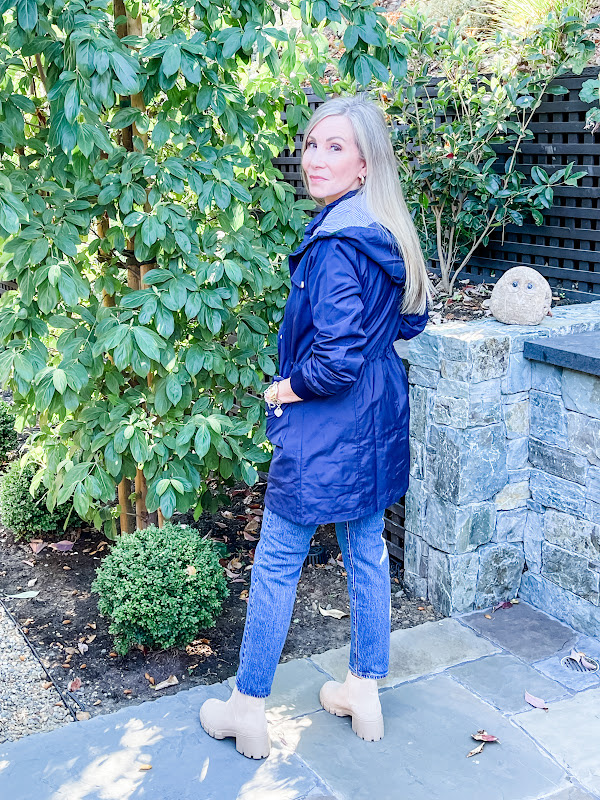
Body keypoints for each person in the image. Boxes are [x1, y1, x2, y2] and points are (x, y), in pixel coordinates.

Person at [199, 94, 433, 759]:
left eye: (335, 147)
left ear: (365, 163)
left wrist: (285, 387)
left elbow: (332, 362)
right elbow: (410, 320)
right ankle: (364, 691)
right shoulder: (386, 230)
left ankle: (246, 709)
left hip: (325, 428)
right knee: (366, 550)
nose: (316, 158)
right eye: (311, 144)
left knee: (276, 563)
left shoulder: (336, 245)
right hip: (375, 422)